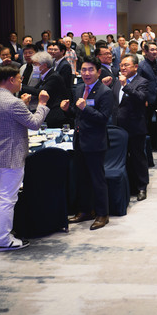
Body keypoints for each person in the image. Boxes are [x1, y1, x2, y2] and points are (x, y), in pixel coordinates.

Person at [0, 64, 50, 251]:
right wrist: (42, 105)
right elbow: (35, 123)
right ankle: (4, 240)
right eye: (20, 79)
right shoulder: (13, 102)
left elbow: (10, 120)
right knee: (7, 198)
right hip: (12, 155)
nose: (21, 82)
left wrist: (23, 105)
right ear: (11, 79)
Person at [61, 56, 113, 231]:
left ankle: (102, 214)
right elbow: (77, 115)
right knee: (81, 178)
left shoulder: (105, 92)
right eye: (83, 70)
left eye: (91, 70)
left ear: (98, 72)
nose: (86, 73)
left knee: (97, 179)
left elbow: (103, 118)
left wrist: (86, 108)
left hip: (95, 142)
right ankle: (85, 210)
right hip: (79, 140)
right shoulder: (79, 88)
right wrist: (67, 110)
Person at [112, 55, 151, 201]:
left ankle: (141, 187)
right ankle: (129, 186)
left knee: (138, 158)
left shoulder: (142, 81)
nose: (123, 68)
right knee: (123, 158)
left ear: (135, 67)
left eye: (126, 65)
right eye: (121, 65)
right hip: (118, 127)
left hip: (135, 126)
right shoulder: (117, 81)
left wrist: (126, 85)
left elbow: (141, 98)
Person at [20, 51, 69, 128]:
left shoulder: (54, 77)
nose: (34, 66)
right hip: (49, 111)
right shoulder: (45, 76)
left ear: (44, 65)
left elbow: (40, 92)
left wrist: (21, 86)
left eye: (35, 64)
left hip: (56, 114)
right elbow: (35, 89)